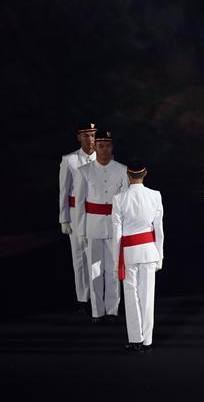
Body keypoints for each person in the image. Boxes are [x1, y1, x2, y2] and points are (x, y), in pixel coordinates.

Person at [72, 128, 128, 322]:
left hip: (115, 225)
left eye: (107, 146)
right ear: (95, 147)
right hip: (93, 225)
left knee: (113, 269)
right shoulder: (84, 171)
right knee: (94, 269)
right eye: (100, 145)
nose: (104, 150)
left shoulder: (121, 169)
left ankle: (112, 309)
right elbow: (79, 203)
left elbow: (126, 202)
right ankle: (97, 311)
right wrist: (80, 231)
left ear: (112, 147)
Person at [112, 158, 164, 351]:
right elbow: (159, 229)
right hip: (149, 251)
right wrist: (160, 255)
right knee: (148, 295)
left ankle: (135, 338)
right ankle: (147, 339)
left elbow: (117, 233)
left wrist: (116, 259)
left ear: (128, 174)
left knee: (131, 295)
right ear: (145, 173)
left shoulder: (119, 198)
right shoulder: (155, 195)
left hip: (129, 252)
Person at [58, 122, 96, 313]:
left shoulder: (104, 158)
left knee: (97, 256)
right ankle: (83, 298)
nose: (90, 139)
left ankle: (98, 297)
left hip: (96, 212)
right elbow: (63, 191)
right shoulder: (70, 160)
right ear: (79, 137)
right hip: (75, 212)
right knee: (79, 256)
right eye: (87, 135)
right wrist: (64, 218)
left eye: (93, 135)